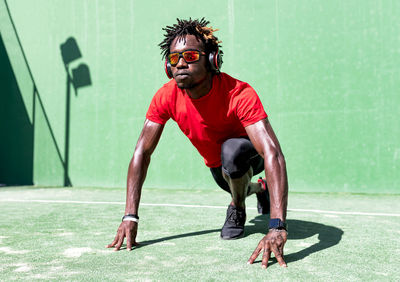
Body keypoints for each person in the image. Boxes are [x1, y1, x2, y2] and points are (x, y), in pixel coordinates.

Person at [107, 18, 289, 269]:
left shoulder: (239, 93)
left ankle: (237, 207)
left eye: (190, 55)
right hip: (218, 167)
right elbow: (142, 152)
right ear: (168, 66)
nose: (181, 63)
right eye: (174, 58)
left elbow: (272, 154)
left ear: (212, 59)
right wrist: (130, 216)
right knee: (232, 176)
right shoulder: (166, 96)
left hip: (250, 155)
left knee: (232, 152)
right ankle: (259, 189)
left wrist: (277, 225)